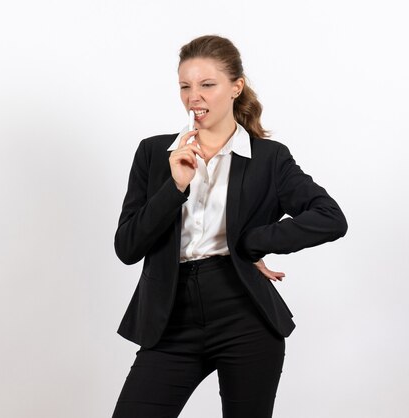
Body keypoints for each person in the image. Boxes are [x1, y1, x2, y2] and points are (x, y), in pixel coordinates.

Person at [111, 35, 347, 418]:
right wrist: (175, 187)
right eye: (185, 86)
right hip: (169, 317)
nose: (194, 97)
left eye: (207, 85)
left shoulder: (269, 158)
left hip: (244, 314)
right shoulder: (155, 153)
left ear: (236, 87)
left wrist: (251, 244)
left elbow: (330, 218)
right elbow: (127, 247)